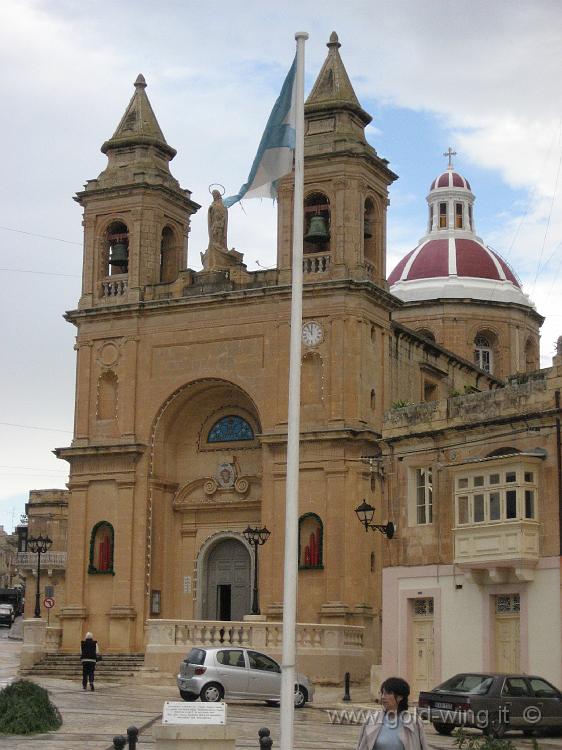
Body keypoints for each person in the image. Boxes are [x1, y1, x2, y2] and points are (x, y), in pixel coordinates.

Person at [356, 677, 429, 750]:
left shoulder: (414, 723)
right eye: (383, 693)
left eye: (388, 693)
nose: (383, 697)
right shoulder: (371, 720)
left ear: (400, 697)